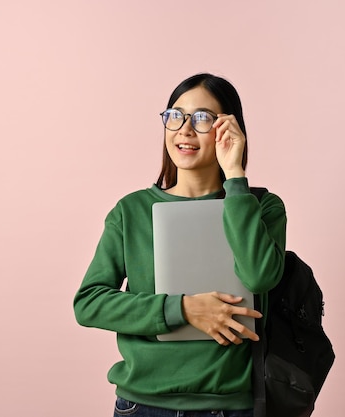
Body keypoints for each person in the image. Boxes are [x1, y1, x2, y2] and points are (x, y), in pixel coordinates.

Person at [73, 73, 287, 416]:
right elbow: (89, 303)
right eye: (175, 115)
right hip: (142, 405)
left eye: (202, 118)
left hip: (231, 407)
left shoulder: (262, 207)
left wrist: (235, 178)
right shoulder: (131, 211)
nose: (185, 129)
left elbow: (260, 277)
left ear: (228, 129)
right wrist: (183, 309)